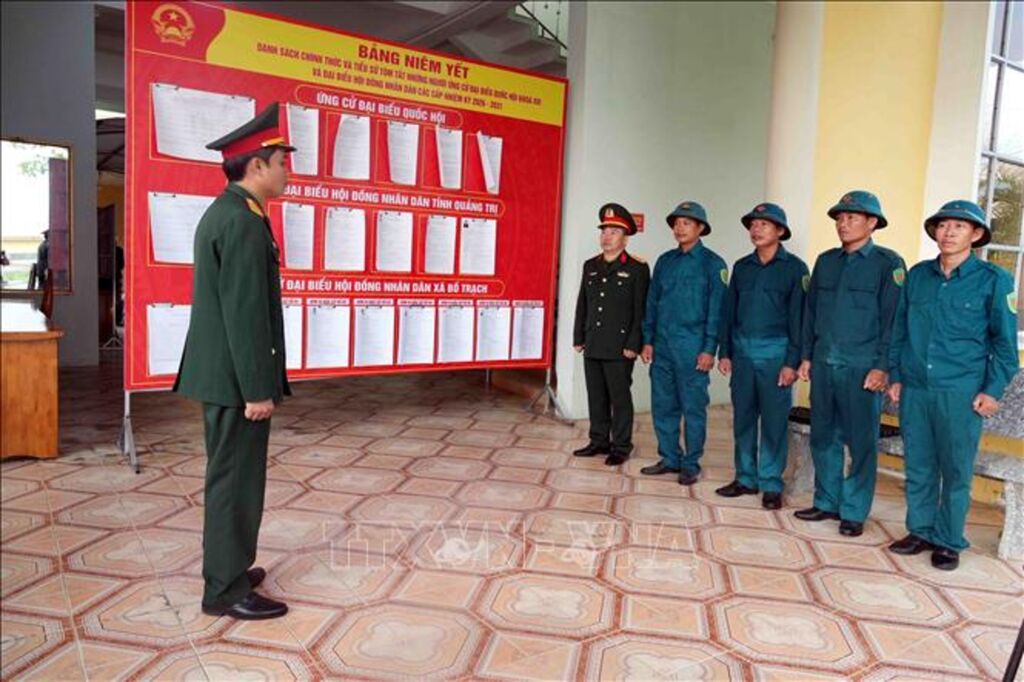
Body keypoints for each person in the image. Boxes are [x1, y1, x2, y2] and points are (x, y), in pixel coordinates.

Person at [174, 102, 295, 620]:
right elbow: (245, 315)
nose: (288, 172)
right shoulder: (242, 223)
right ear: (257, 165)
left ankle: (232, 568)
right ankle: (223, 590)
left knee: (235, 477)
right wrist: (256, 389)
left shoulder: (230, 213)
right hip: (234, 380)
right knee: (234, 482)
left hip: (224, 375)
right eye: (282, 163)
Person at [886, 200, 1018, 570]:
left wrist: (992, 390)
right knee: (919, 464)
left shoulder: (993, 280)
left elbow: (1005, 347)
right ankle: (920, 530)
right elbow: (899, 330)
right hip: (916, 388)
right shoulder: (918, 276)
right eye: (943, 226)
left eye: (959, 227)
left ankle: (948, 540)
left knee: (956, 469)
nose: (948, 233)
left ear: (975, 235)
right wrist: (896, 375)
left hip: (961, 392)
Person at [796, 190, 905, 537]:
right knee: (823, 436)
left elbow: (893, 321)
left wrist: (882, 366)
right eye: (840, 218)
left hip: (863, 368)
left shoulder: (888, 264)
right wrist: (806, 356)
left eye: (852, 218)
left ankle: (854, 510)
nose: (843, 224)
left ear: (872, 223)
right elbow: (810, 313)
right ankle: (826, 501)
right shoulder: (826, 261)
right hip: (825, 363)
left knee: (861, 443)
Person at [716, 203, 808, 509]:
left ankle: (771, 482)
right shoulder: (742, 267)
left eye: (764, 225)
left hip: (776, 357)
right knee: (743, 418)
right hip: (742, 354)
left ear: (780, 231)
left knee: (773, 422)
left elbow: (799, 320)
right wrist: (725, 352)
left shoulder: (795, 269)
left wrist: (791, 363)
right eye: (753, 225)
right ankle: (745, 477)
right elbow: (728, 313)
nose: (756, 230)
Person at [641, 201, 728, 485]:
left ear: (700, 228)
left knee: (693, 408)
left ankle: (691, 463)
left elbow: (717, 311)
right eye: (676, 223)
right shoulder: (665, 261)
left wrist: (709, 349)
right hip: (663, 346)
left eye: (686, 223)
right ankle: (669, 457)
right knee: (663, 405)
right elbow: (652, 303)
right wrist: (648, 340)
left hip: (693, 348)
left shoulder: (713, 264)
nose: (680, 228)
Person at [572, 203, 650, 466]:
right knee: (596, 395)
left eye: (614, 232)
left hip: (620, 346)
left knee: (620, 398)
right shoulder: (590, 265)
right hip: (593, 341)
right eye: (604, 231)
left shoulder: (637, 268)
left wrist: (634, 344)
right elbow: (583, 303)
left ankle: (621, 445)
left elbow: (640, 310)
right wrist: (579, 336)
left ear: (625, 238)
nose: (607, 236)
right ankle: (598, 440)